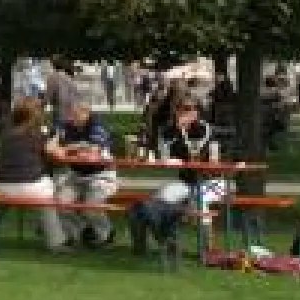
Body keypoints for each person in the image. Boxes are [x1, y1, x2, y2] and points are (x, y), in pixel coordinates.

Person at [129, 100, 217, 255]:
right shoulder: (171, 130)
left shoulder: (204, 129)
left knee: (199, 203)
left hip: (213, 181)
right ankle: (166, 239)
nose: (184, 114)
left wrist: (183, 132)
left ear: (196, 113)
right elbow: (164, 152)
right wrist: (178, 129)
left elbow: (198, 152)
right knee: (160, 199)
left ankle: (208, 250)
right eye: (181, 110)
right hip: (186, 181)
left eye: (188, 110)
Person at [0, 96, 68, 253]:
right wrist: (55, 142)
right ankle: (56, 241)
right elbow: (58, 155)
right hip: (29, 187)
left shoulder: (6, 135)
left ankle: (46, 228)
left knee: (47, 189)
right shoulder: (37, 135)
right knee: (60, 185)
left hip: (2, 188)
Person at [54, 101, 117, 248]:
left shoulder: (97, 126)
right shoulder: (67, 126)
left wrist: (68, 147)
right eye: (71, 114)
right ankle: (81, 232)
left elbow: (93, 147)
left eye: (75, 115)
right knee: (60, 202)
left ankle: (105, 235)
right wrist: (60, 145)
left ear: (86, 114)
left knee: (91, 206)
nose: (72, 118)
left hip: (101, 175)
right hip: (76, 175)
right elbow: (53, 143)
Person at [44, 60, 79, 125]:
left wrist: (43, 102)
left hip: (59, 111)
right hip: (72, 112)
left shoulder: (52, 77)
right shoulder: (69, 78)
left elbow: (48, 97)